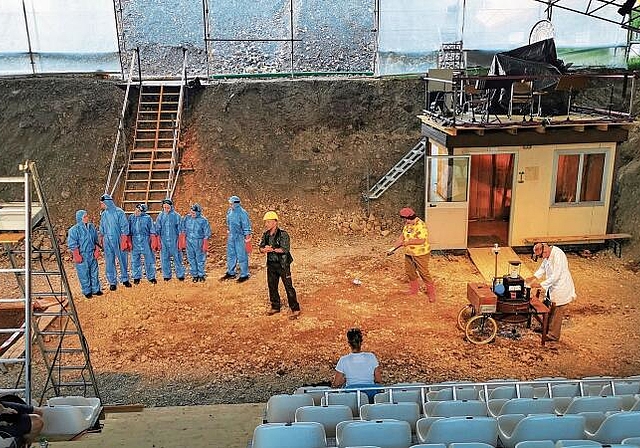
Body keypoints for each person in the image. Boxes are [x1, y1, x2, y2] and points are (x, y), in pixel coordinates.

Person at [526, 242, 576, 342]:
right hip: (553, 287)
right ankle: (546, 328)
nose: (542, 258)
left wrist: (540, 284)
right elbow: (543, 268)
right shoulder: (547, 255)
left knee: (557, 310)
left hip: (561, 287)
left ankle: (553, 335)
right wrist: (533, 277)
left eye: (541, 256)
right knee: (550, 307)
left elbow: (556, 276)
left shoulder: (558, 255)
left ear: (544, 251)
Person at [388, 207, 436, 302]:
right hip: (409, 253)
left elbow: (421, 240)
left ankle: (431, 293)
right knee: (410, 271)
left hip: (420, 253)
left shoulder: (421, 225)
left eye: (406, 219)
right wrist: (393, 248)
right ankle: (414, 290)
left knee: (424, 272)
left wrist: (408, 242)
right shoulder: (408, 224)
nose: (405, 221)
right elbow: (402, 237)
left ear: (410, 217)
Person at [258, 211, 300, 319]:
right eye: (265, 222)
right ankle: (275, 306)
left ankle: (295, 308)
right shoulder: (266, 235)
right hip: (271, 264)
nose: (266, 224)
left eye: (268, 222)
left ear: (275, 222)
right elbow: (261, 248)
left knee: (288, 286)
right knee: (272, 286)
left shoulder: (283, 234)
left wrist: (271, 249)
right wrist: (264, 250)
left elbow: (285, 249)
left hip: (283, 264)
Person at [331, 328, 382, 403]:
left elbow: (336, 383)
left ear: (349, 343)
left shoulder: (343, 360)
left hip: (351, 397)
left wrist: (345, 380)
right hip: (370, 395)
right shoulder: (371, 357)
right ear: (361, 342)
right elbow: (378, 380)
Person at [67, 210, 103, 299]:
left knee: (94, 272)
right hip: (82, 254)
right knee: (84, 274)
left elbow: (96, 240)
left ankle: (96, 289)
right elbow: (72, 243)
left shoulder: (91, 227)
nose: (87, 218)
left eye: (87, 216)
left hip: (91, 253)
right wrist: (76, 254)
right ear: (80, 218)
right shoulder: (74, 230)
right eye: (85, 217)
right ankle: (87, 291)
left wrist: (97, 250)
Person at [99, 194, 131, 291]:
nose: (101, 205)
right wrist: (101, 236)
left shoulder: (119, 212)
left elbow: (124, 226)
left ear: (107, 202)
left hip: (118, 238)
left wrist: (124, 238)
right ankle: (112, 282)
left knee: (122, 259)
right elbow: (102, 226)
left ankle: (125, 279)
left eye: (102, 203)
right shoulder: (104, 214)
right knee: (109, 261)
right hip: (107, 240)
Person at [220, 195, 252, 283]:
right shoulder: (230, 211)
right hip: (231, 236)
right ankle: (231, 272)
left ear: (236, 204)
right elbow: (228, 221)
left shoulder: (243, 213)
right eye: (229, 204)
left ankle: (244, 274)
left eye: (231, 204)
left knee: (242, 255)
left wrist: (247, 239)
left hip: (240, 237)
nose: (230, 205)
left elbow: (246, 226)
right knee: (231, 254)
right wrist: (228, 230)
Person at [154, 198, 185, 281]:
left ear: (171, 207)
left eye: (167, 207)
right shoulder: (160, 216)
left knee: (178, 258)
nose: (166, 209)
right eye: (164, 208)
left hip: (174, 241)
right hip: (164, 241)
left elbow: (181, 229)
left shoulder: (176, 216)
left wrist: (181, 241)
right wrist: (157, 240)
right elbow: (157, 228)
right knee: (164, 259)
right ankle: (167, 276)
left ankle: (180, 276)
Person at [181, 203, 212, 282]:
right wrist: (183, 238)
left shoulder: (203, 220)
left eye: (193, 213)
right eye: (191, 212)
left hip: (199, 241)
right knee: (191, 258)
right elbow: (183, 228)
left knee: (200, 259)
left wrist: (205, 242)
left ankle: (201, 275)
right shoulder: (187, 218)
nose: (192, 214)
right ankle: (194, 275)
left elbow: (207, 232)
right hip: (189, 241)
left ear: (198, 212)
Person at [128, 203, 157, 285]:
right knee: (135, 260)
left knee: (149, 259)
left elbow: (152, 230)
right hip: (135, 241)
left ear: (143, 212)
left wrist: (153, 240)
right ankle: (136, 277)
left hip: (145, 241)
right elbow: (128, 229)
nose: (136, 212)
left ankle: (151, 277)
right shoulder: (131, 218)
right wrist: (128, 240)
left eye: (138, 211)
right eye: (136, 210)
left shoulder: (147, 218)